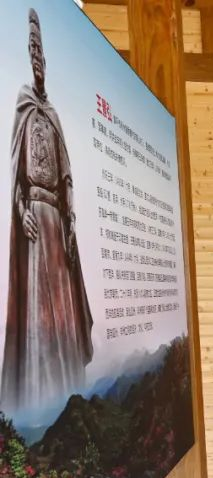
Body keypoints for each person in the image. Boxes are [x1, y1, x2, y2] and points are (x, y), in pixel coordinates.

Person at [3, 9, 94, 414]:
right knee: (39, 310)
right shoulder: (22, 110)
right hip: (35, 221)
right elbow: (16, 179)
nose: (37, 59)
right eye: (32, 50)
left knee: (64, 308)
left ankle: (71, 389)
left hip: (57, 222)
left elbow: (68, 175)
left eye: (42, 52)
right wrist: (21, 209)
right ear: (28, 55)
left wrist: (71, 217)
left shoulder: (53, 115)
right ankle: (42, 398)